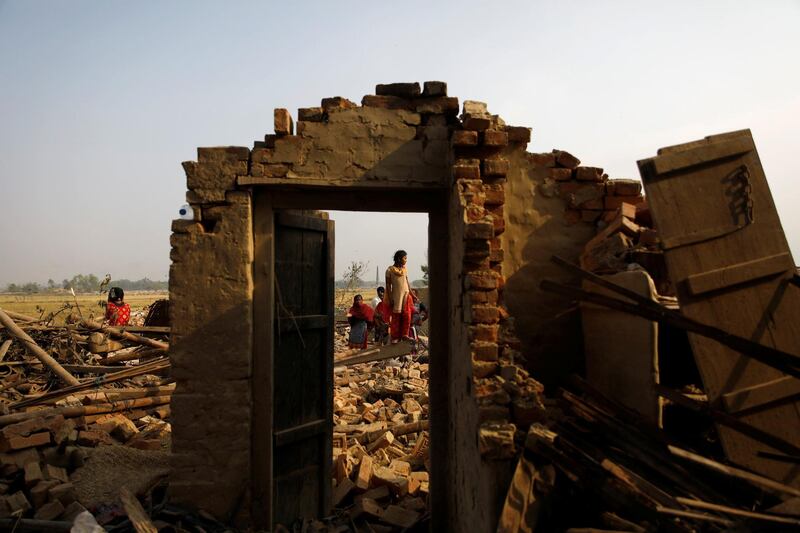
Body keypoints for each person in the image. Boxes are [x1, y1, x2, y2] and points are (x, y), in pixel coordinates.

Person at [385, 250, 417, 344]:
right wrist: (390, 298)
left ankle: (405, 335)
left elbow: (407, 283)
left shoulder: (404, 269)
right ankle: (395, 337)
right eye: (405, 258)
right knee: (396, 317)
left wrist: (412, 294)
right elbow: (387, 285)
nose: (406, 260)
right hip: (396, 296)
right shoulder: (389, 270)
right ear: (399, 258)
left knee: (407, 315)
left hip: (406, 295)